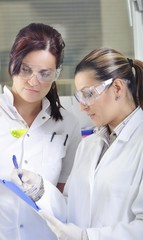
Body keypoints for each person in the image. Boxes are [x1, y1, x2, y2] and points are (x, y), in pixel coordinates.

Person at [12, 47, 143, 240]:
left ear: (117, 88)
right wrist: (40, 189)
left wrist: (87, 237)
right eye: (79, 97)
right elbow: (71, 206)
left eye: (88, 94)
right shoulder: (89, 145)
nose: (82, 106)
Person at [0, 23, 81, 240]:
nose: (33, 81)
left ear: (56, 74)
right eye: (26, 69)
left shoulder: (68, 125)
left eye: (45, 73)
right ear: (13, 64)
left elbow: (66, 199)